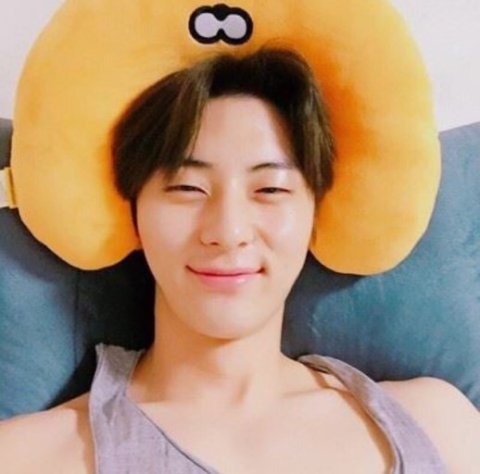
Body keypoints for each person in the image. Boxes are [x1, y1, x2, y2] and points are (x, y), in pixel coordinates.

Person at [1, 46, 479, 474]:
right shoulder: (31, 457)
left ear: (316, 214)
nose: (228, 232)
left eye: (269, 189)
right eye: (187, 187)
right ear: (133, 213)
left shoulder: (438, 423)